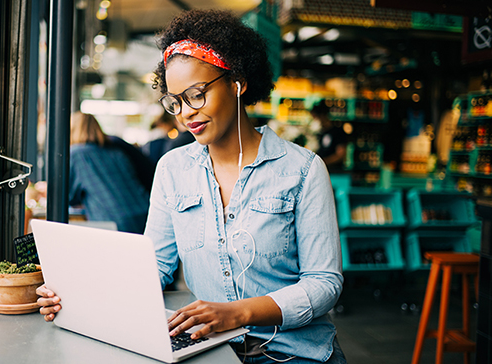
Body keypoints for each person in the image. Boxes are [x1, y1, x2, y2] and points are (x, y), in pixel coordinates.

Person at [38, 10, 345, 364]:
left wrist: (239, 313)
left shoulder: (302, 169)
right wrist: (78, 296)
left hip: (295, 355)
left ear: (237, 83)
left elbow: (324, 284)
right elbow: (154, 265)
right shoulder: (173, 169)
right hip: (213, 352)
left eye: (196, 94)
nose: (186, 113)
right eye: (175, 102)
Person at [68, 111, 150, 234]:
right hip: (144, 214)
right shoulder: (116, 152)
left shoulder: (76, 154)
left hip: (114, 223)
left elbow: (70, 198)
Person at [310, 100, 348, 173]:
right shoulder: (319, 133)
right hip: (320, 171)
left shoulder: (337, 132)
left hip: (334, 172)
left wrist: (323, 162)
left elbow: (340, 154)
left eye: (315, 118)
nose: (314, 121)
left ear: (322, 116)